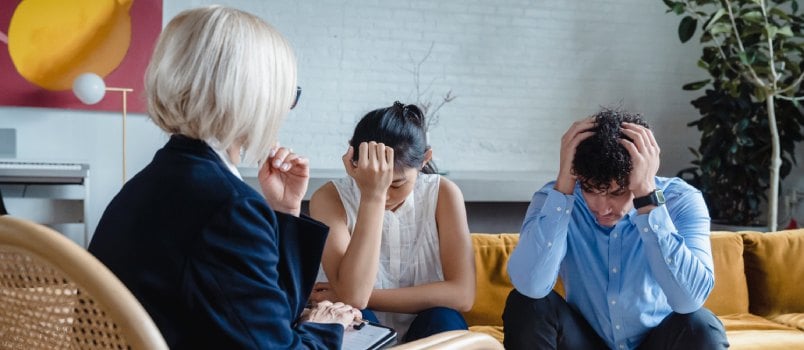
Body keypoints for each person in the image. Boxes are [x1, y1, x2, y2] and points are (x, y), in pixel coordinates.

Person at [88, 6, 359, 349]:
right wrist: (326, 325)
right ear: (255, 98)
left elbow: (265, 320)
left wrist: (285, 212)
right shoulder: (227, 208)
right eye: (288, 95)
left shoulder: (151, 183)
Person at [503, 108, 729, 350]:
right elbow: (531, 286)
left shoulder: (681, 200)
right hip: (585, 342)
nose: (601, 208)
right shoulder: (555, 197)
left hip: (656, 342)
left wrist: (647, 197)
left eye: (617, 193)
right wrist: (564, 187)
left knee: (702, 326)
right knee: (526, 304)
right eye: (590, 190)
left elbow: (689, 300)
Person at [308, 102, 475, 342]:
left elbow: (463, 295)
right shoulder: (328, 198)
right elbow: (355, 298)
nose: (385, 194)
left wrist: (361, 294)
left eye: (396, 184)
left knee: (445, 318)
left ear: (424, 159)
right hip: (360, 321)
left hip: (428, 329)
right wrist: (371, 197)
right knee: (353, 315)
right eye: (376, 181)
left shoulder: (444, 194)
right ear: (353, 159)